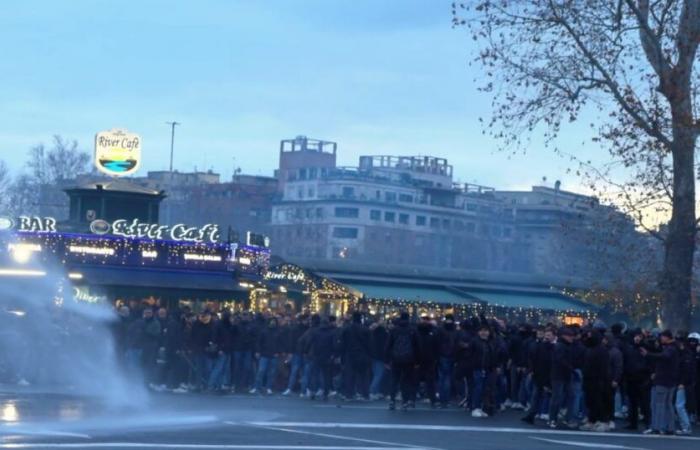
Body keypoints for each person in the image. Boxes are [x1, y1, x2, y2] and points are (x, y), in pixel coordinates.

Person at [641, 329, 680, 435]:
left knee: (658, 404)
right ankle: (669, 427)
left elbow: (664, 356)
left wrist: (648, 354)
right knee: (668, 405)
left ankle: (656, 427)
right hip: (671, 381)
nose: (660, 338)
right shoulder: (675, 347)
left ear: (667, 337)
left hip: (663, 380)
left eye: (662, 336)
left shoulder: (670, 349)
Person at [385, 312, 419, 411]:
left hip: (396, 358)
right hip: (409, 359)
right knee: (406, 381)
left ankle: (392, 400)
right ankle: (405, 401)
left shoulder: (394, 330)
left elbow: (388, 346)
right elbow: (417, 346)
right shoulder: (413, 330)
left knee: (394, 380)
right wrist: (417, 361)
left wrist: (387, 360)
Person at [522, 328, 555, 424]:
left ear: (553, 336)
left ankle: (546, 413)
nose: (547, 337)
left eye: (549, 335)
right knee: (536, 395)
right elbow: (534, 359)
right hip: (540, 374)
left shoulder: (554, 347)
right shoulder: (540, 346)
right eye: (546, 335)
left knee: (546, 396)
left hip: (550, 375)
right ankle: (533, 414)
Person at [621, 328, 651, 431]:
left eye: (640, 336)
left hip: (643, 378)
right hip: (631, 377)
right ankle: (633, 423)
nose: (638, 338)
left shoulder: (645, 347)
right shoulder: (629, 347)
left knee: (644, 403)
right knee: (633, 402)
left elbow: (649, 361)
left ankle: (648, 423)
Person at [339, 311, 371, 400]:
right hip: (363, 354)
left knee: (350, 375)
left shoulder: (346, 329)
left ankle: (349, 394)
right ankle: (364, 394)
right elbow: (370, 344)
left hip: (350, 354)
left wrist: (342, 356)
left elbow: (342, 344)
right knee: (364, 376)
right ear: (360, 318)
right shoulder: (365, 329)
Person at [548, 327, 574, 428]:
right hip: (560, 375)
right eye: (570, 336)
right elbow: (560, 361)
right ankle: (553, 418)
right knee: (558, 397)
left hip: (560, 374)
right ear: (564, 336)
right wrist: (570, 367)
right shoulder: (561, 346)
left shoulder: (561, 345)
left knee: (559, 397)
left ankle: (554, 418)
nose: (572, 338)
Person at [469, 323, 496, 418]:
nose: (483, 333)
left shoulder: (490, 343)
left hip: (487, 369)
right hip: (477, 368)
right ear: (478, 332)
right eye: (481, 331)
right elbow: (470, 355)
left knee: (484, 389)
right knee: (478, 388)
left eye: (485, 331)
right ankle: (475, 407)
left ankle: (479, 408)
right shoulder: (474, 341)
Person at [251, 316, 283, 395]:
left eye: (274, 321)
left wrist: (278, 352)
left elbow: (280, 343)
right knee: (261, 371)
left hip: (273, 355)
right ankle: (257, 387)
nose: (273, 322)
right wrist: (258, 351)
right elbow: (259, 342)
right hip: (264, 354)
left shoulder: (278, 331)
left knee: (271, 372)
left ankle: (268, 387)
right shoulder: (264, 331)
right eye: (272, 321)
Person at [416, 315, 439, 407]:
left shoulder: (416, 331)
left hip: (420, 359)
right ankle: (432, 398)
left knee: (416, 379)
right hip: (430, 358)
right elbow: (437, 345)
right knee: (430, 380)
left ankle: (412, 398)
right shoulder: (433, 332)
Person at [437, 314, 458, 408]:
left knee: (442, 378)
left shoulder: (441, 330)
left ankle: (442, 399)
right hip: (452, 355)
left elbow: (436, 343)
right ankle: (447, 399)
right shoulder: (455, 331)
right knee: (448, 378)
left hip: (442, 355)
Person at [368, 319, 389, 400]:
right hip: (380, 357)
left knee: (376, 374)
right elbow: (384, 348)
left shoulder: (373, 334)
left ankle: (376, 391)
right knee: (379, 375)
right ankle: (372, 391)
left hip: (373, 356)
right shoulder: (385, 335)